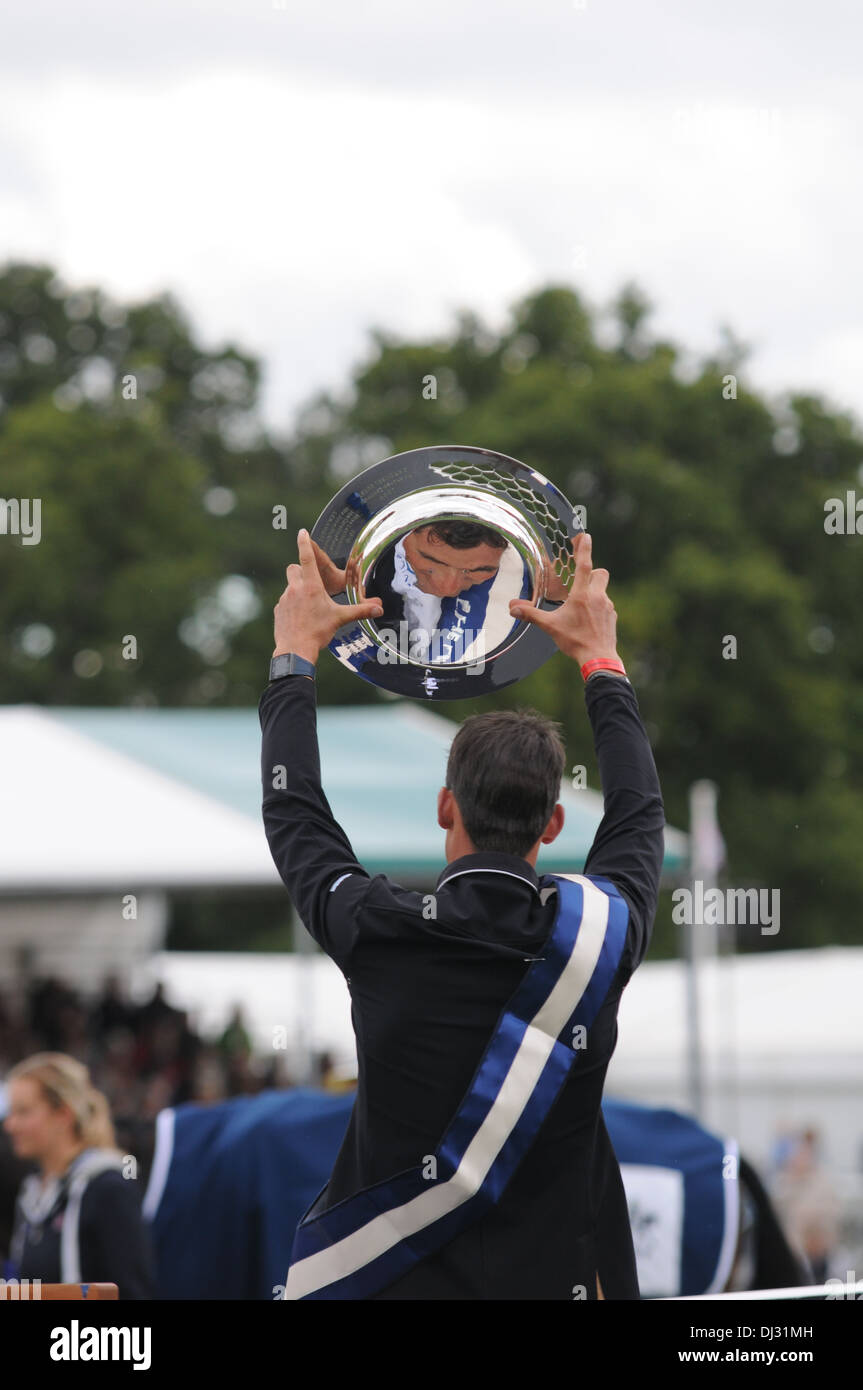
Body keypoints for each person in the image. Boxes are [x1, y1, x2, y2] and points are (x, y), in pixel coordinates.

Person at [260, 528, 664, 1299]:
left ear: (445, 805)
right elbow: (638, 815)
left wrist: (294, 653)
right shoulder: (599, 934)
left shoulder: (377, 925)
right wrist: (600, 662)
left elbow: (294, 812)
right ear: (551, 824)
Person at [2, 1053, 155, 1298]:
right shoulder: (32, 1190)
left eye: (23, 1112)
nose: (10, 1125)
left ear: (63, 1115)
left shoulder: (108, 1188)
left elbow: (134, 1294)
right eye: (11, 1113)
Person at [312, 521, 531, 667]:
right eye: (431, 564)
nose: (448, 588)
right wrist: (339, 594)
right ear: (410, 533)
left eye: (477, 572)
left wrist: (555, 599)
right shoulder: (345, 577)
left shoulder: (525, 583)